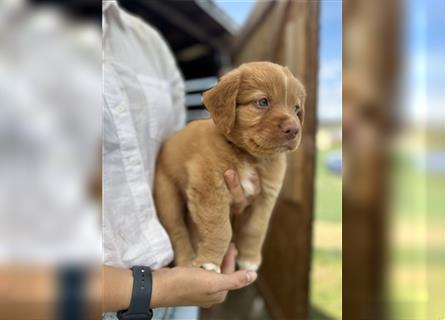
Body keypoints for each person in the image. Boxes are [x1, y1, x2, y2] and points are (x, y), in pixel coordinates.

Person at [103, 2, 260, 320]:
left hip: (179, 287)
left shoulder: (148, 43)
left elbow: (174, 158)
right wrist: (155, 289)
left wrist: (226, 196)